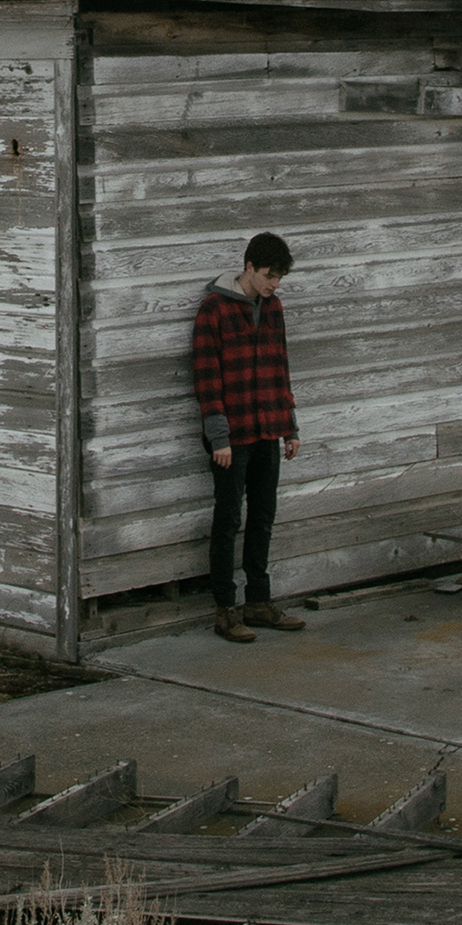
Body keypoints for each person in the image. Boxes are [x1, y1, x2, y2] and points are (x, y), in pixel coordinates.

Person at [191, 231, 302, 642]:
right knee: (228, 520)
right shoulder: (214, 310)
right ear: (249, 267)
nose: (274, 285)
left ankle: (259, 601)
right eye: (270, 275)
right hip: (232, 437)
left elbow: (280, 367)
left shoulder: (273, 309)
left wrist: (289, 426)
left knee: (263, 517)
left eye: (280, 278)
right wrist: (218, 436)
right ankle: (225, 608)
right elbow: (206, 376)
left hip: (268, 429)